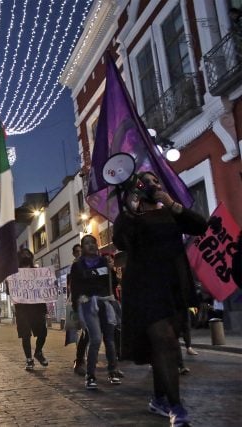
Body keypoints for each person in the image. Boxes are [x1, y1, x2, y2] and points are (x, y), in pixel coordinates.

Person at [113, 171, 207, 427]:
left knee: (164, 345)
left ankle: (157, 398)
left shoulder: (171, 212)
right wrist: (130, 209)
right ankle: (177, 408)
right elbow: (120, 240)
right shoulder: (131, 218)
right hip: (145, 288)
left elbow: (200, 226)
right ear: (137, 190)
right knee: (165, 340)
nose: (154, 185)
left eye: (157, 181)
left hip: (174, 285)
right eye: (147, 182)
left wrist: (172, 203)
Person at [70, 235, 121, 390]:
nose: (90, 245)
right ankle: (90, 375)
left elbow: (112, 283)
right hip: (88, 305)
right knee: (96, 339)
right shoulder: (77, 266)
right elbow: (75, 289)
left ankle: (113, 371)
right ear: (82, 247)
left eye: (93, 243)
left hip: (105, 303)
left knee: (110, 340)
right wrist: (77, 309)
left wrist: (111, 271)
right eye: (87, 243)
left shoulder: (104, 262)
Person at [12, 248, 49, 371]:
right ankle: (29, 359)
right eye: (23, 253)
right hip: (22, 309)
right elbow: (10, 292)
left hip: (37, 308)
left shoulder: (37, 272)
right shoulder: (14, 274)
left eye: (28, 253)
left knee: (43, 332)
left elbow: (44, 289)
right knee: (25, 335)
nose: (26, 255)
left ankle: (38, 352)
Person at [68, 243, 88, 376]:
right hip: (81, 303)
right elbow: (73, 288)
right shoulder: (75, 266)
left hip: (95, 302)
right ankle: (80, 360)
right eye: (77, 251)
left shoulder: (92, 263)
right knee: (86, 333)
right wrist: (76, 304)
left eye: (81, 250)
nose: (79, 253)